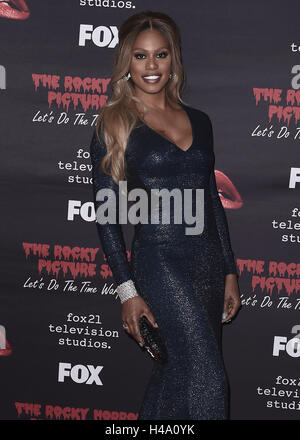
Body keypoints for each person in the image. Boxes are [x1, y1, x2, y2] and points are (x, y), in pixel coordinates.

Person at [89, 10, 241, 420]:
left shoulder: (201, 122)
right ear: (127, 63)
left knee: (177, 376)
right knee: (208, 379)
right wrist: (127, 291)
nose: (151, 66)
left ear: (174, 60)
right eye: (140, 56)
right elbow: (108, 216)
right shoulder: (114, 124)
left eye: (160, 55)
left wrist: (229, 269)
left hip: (207, 263)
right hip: (160, 262)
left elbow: (209, 197)